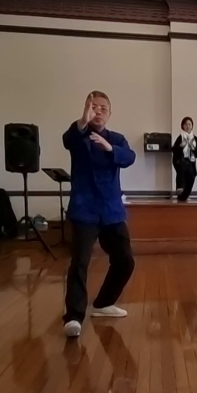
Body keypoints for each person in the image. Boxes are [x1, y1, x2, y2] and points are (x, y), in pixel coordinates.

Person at [61, 90, 137, 338]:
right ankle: (73, 317)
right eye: (94, 106)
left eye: (103, 107)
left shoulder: (117, 139)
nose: (99, 111)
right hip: (85, 210)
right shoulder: (78, 137)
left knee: (125, 260)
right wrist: (82, 121)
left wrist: (109, 148)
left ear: (110, 113)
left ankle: (103, 303)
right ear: (87, 109)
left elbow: (129, 158)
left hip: (111, 211)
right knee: (80, 263)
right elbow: (68, 139)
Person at [172, 116, 197, 201]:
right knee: (182, 174)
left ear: (192, 126)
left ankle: (184, 196)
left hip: (191, 162)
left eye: (189, 124)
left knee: (191, 178)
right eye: (186, 124)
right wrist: (181, 145)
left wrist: (193, 148)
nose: (188, 126)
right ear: (183, 126)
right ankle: (180, 188)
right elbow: (174, 149)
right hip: (181, 161)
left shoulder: (195, 139)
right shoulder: (180, 137)